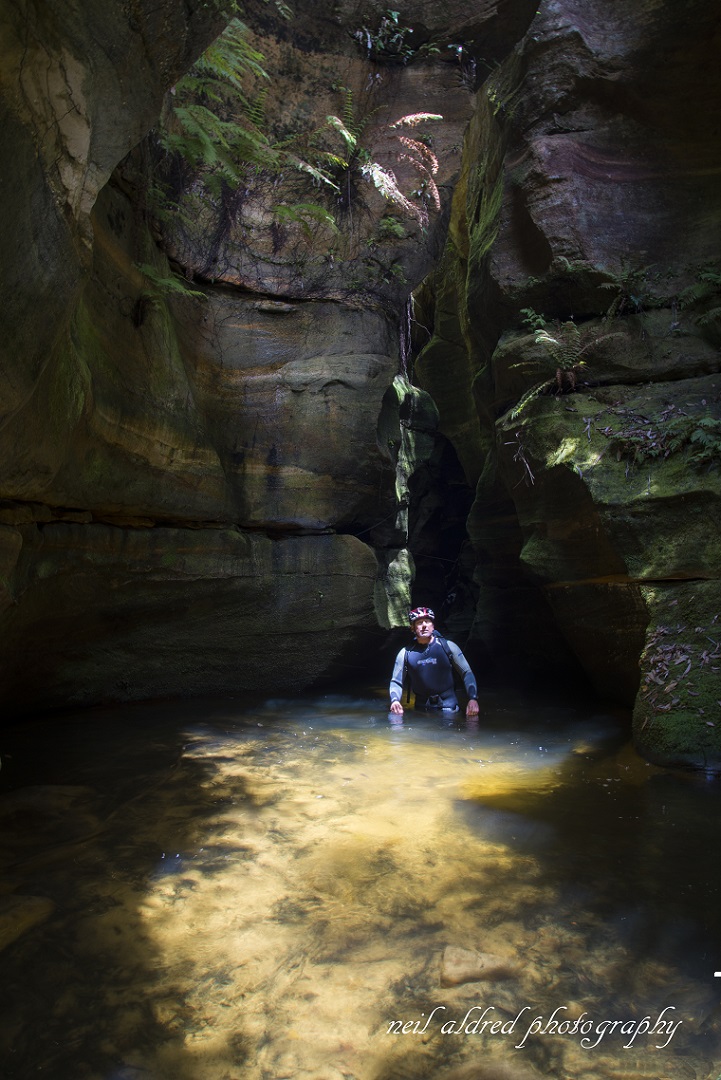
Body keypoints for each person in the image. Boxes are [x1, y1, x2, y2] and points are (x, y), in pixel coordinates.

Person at [389, 606, 480, 717]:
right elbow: (396, 682)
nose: (424, 626)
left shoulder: (448, 647)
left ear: (433, 626)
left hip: (449, 708)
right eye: (419, 623)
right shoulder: (405, 653)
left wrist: (472, 698)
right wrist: (395, 701)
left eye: (427, 622)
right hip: (421, 710)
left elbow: (466, 672)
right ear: (412, 628)